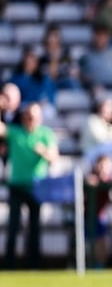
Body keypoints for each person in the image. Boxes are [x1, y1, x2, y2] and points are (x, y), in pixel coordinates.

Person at [1, 102, 59, 269]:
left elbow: (54, 157)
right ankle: (9, 264)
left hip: (36, 186)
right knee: (13, 226)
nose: (31, 119)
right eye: (28, 116)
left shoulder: (45, 134)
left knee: (35, 227)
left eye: (34, 116)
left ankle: (34, 264)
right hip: (17, 184)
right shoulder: (15, 132)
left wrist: (43, 152)